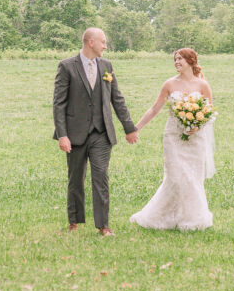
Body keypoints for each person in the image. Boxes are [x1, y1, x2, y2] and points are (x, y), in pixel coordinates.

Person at [52, 27, 138, 236]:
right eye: (103, 42)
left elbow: (117, 99)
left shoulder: (107, 65)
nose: (106, 46)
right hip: (75, 134)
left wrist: (129, 128)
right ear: (91, 42)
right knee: (76, 179)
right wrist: (62, 134)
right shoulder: (67, 66)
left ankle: (103, 226)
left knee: (101, 176)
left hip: (101, 133)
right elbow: (59, 104)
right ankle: (74, 221)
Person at [129, 48, 215, 231]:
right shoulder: (169, 84)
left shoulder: (203, 85)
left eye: (180, 59)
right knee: (175, 178)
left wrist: (197, 125)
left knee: (193, 178)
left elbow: (209, 112)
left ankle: (193, 219)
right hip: (173, 137)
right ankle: (160, 217)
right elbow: (154, 109)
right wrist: (135, 128)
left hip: (195, 140)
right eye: (175, 59)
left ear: (190, 61)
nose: (176, 62)